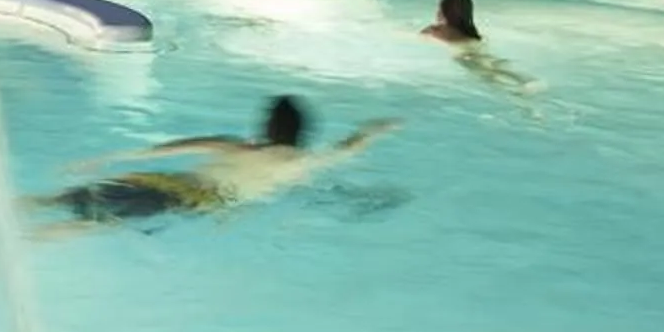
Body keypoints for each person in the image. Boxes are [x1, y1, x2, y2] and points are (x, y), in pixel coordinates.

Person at [36, 96, 396, 233]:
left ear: (267, 126)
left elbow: (168, 148)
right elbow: (349, 148)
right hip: (192, 201)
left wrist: (105, 159)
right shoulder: (302, 162)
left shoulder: (234, 145)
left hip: (159, 180)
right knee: (91, 225)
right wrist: (378, 129)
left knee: (58, 200)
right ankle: (17, 245)